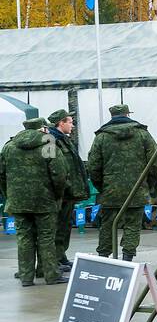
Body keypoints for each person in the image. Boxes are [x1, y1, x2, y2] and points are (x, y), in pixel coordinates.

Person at [0, 116, 68, 286]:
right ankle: (51, 275)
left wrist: (9, 194)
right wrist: (57, 195)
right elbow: (58, 174)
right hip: (44, 200)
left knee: (24, 238)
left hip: (18, 201)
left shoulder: (9, 146)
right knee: (46, 237)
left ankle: (26, 277)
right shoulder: (48, 143)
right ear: (42, 128)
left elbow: (1, 175)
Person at [87, 103, 157, 261]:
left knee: (108, 225)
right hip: (137, 188)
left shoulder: (101, 137)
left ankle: (103, 257)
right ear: (127, 115)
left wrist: (102, 186)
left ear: (112, 116)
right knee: (132, 224)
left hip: (110, 189)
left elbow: (93, 166)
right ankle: (127, 258)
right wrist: (147, 184)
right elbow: (154, 162)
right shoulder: (143, 134)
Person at [46, 109, 89, 271]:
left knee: (65, 226)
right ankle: (55, 260)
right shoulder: (49, 140)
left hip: (68, 192)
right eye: (70, 122)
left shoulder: (63, 139)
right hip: (60, 192)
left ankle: (61, 256)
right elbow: (49, 166)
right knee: (58, 226)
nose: (72, 125)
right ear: (60, 123)